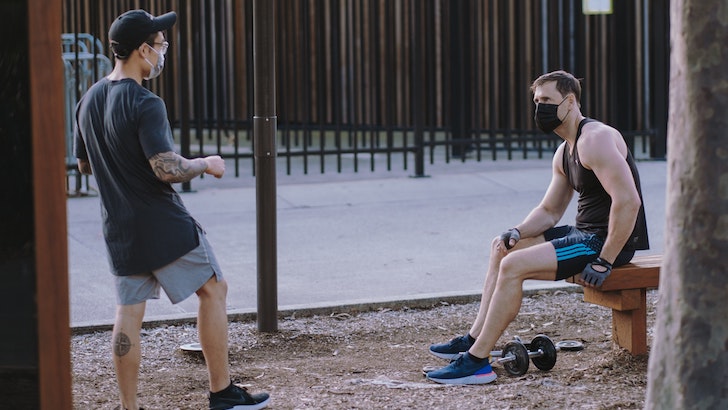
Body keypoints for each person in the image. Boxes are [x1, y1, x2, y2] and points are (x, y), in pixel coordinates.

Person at [74, 9, 270, 410]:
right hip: (163, 223)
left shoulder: (88, 99)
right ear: (142, 50)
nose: (163, 52)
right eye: (161, 45)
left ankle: (129, 406)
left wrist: (118, 168)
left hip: (120, 228)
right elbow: (166, 169)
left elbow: (83, 164)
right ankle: (223, 393)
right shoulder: (146, 102)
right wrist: (206, 163)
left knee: (128, 313)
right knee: (213, 289)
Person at [425, 70, 649, 385]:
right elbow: (549, 210)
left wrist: (605, 260)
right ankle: (474, 339)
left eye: (547, 100)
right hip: (584, 235)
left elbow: (628, 201)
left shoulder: (595, 139)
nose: (540, 107)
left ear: (570, 102)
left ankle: (477, 363)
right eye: (536, 101)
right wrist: (517, 231)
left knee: (513, 266)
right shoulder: (565, 151)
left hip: (605, 243)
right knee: (503, 249)